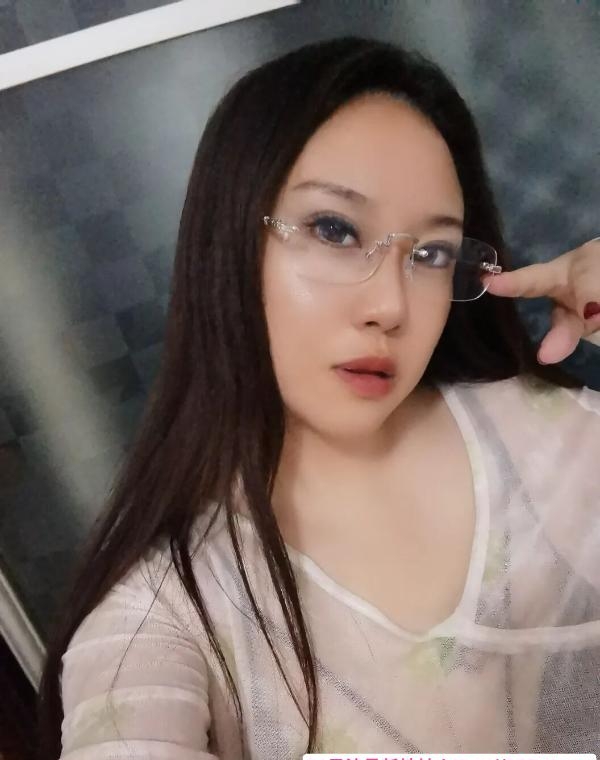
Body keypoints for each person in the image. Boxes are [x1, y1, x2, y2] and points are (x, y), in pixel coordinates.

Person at [37, 36, 600, 759]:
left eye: (430, 253)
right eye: (334, 230)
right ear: (230, 243)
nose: (390, 306)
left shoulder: (560, 444)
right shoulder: (167, 611)